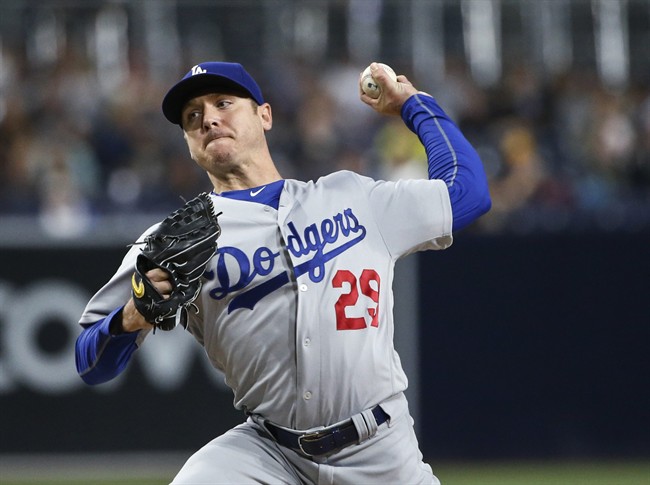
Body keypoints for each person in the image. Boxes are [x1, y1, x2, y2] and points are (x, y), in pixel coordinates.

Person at [75, 60, 491, 484]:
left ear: (265, 115)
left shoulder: (351, 198)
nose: (209, 119)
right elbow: (90, 362)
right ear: (188, 141)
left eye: (223, 102)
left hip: (381, 449)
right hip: (269, 453)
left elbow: (468, 193)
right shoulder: (167, 244)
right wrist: (131, 317)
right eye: (192, 117)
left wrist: (412, 105)